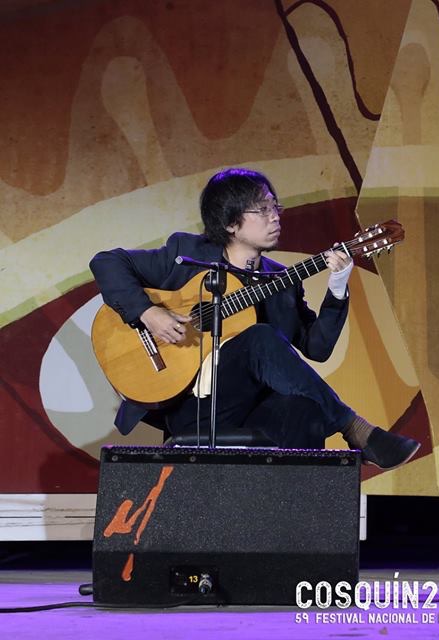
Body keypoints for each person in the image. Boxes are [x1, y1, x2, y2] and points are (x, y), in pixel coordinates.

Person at [90, 167, 420, 468]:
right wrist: (149, 313)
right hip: (196, 405)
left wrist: (337, 287)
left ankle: (297, 522)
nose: (275, 217)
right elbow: (107, 262)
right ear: (230, 222)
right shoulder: (186, 254)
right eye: (262, 210)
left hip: (255, 406)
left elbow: (316, 348)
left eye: (275, 207)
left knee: (306, 410)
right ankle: (355, 428)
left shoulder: (282, 281)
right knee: (259, 337)